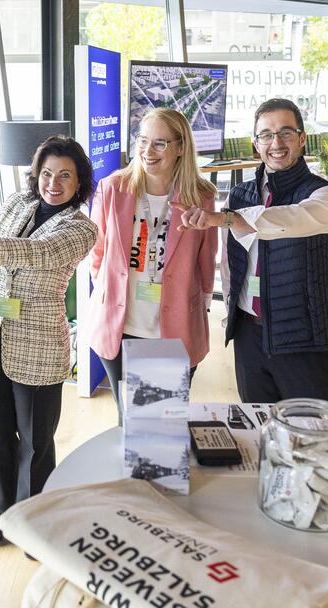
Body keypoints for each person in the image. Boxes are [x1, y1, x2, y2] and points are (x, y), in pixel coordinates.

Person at [0, 136, 97, 547]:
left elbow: (39, 253)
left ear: (79, 182)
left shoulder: (82, 228)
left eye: (64, 176)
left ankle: (34, 522)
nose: (53, 183)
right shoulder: (15, 203)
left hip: (39, 344)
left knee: (35, 442)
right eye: (46, 173)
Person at [176, 98, 328, 403]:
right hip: (249, 337)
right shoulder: (240, 195)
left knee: (307, 429)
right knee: (256, 425)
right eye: (266, 135)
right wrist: (232, 312)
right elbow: (230, 262)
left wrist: (226, 218)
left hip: (302, 340)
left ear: (302, 138)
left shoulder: (326, 194)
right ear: (256, 144)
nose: (276, 143)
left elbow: (293, 219)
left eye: (285, 133)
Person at [87, 107, 218, 423]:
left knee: (164, 423)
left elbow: (206, 259)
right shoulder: (113, 188)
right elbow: (97, 252)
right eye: (143, 141)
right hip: (120, 325)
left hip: (174, 326)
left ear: (181, 147)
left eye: (160, 143)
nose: (148, 151)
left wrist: (200, 305)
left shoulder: (201, 196)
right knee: (129, 422)